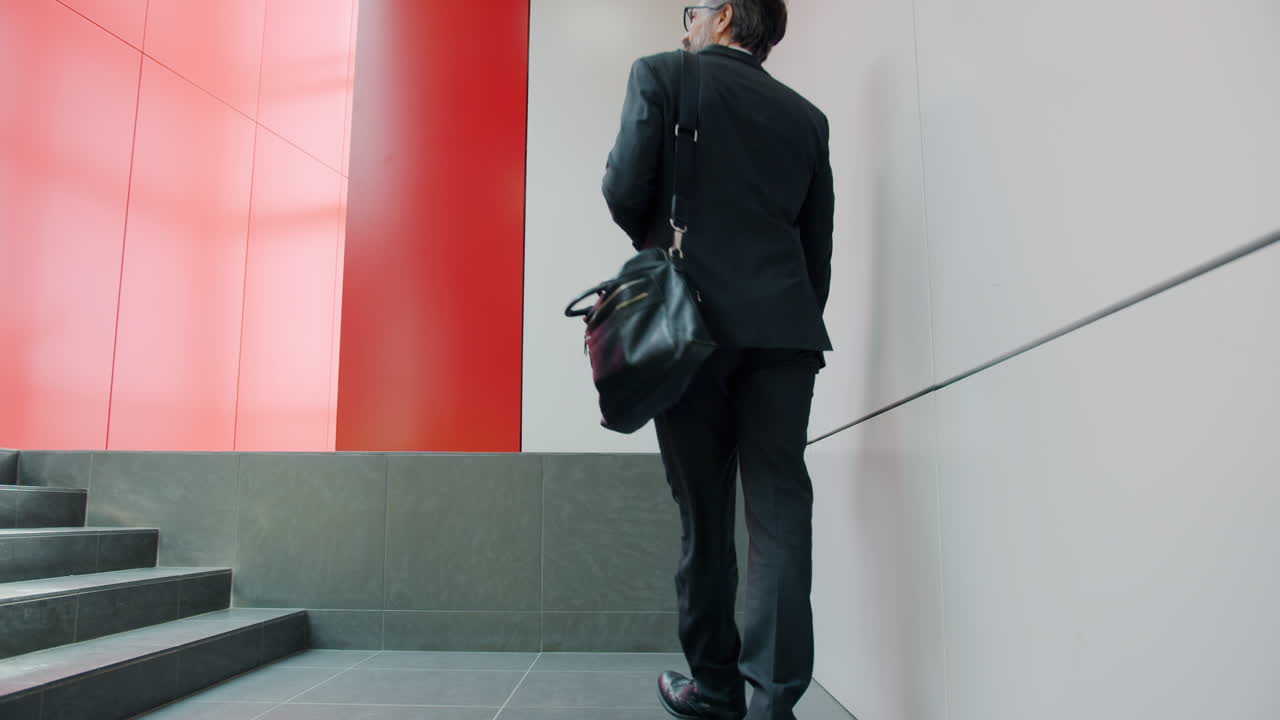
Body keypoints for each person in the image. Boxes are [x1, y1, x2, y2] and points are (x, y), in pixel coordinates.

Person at [601, 2, 834, 718]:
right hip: (784, 337)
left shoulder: (663, 76)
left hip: (689, 331)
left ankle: (714, 687)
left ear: (726, 14)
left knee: (704, 517)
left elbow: (621, 190)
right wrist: (786, 319)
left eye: (692, 10)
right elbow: (814, 248)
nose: (685, 25)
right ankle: (774, 702)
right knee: (779, 514)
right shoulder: (806, 118)